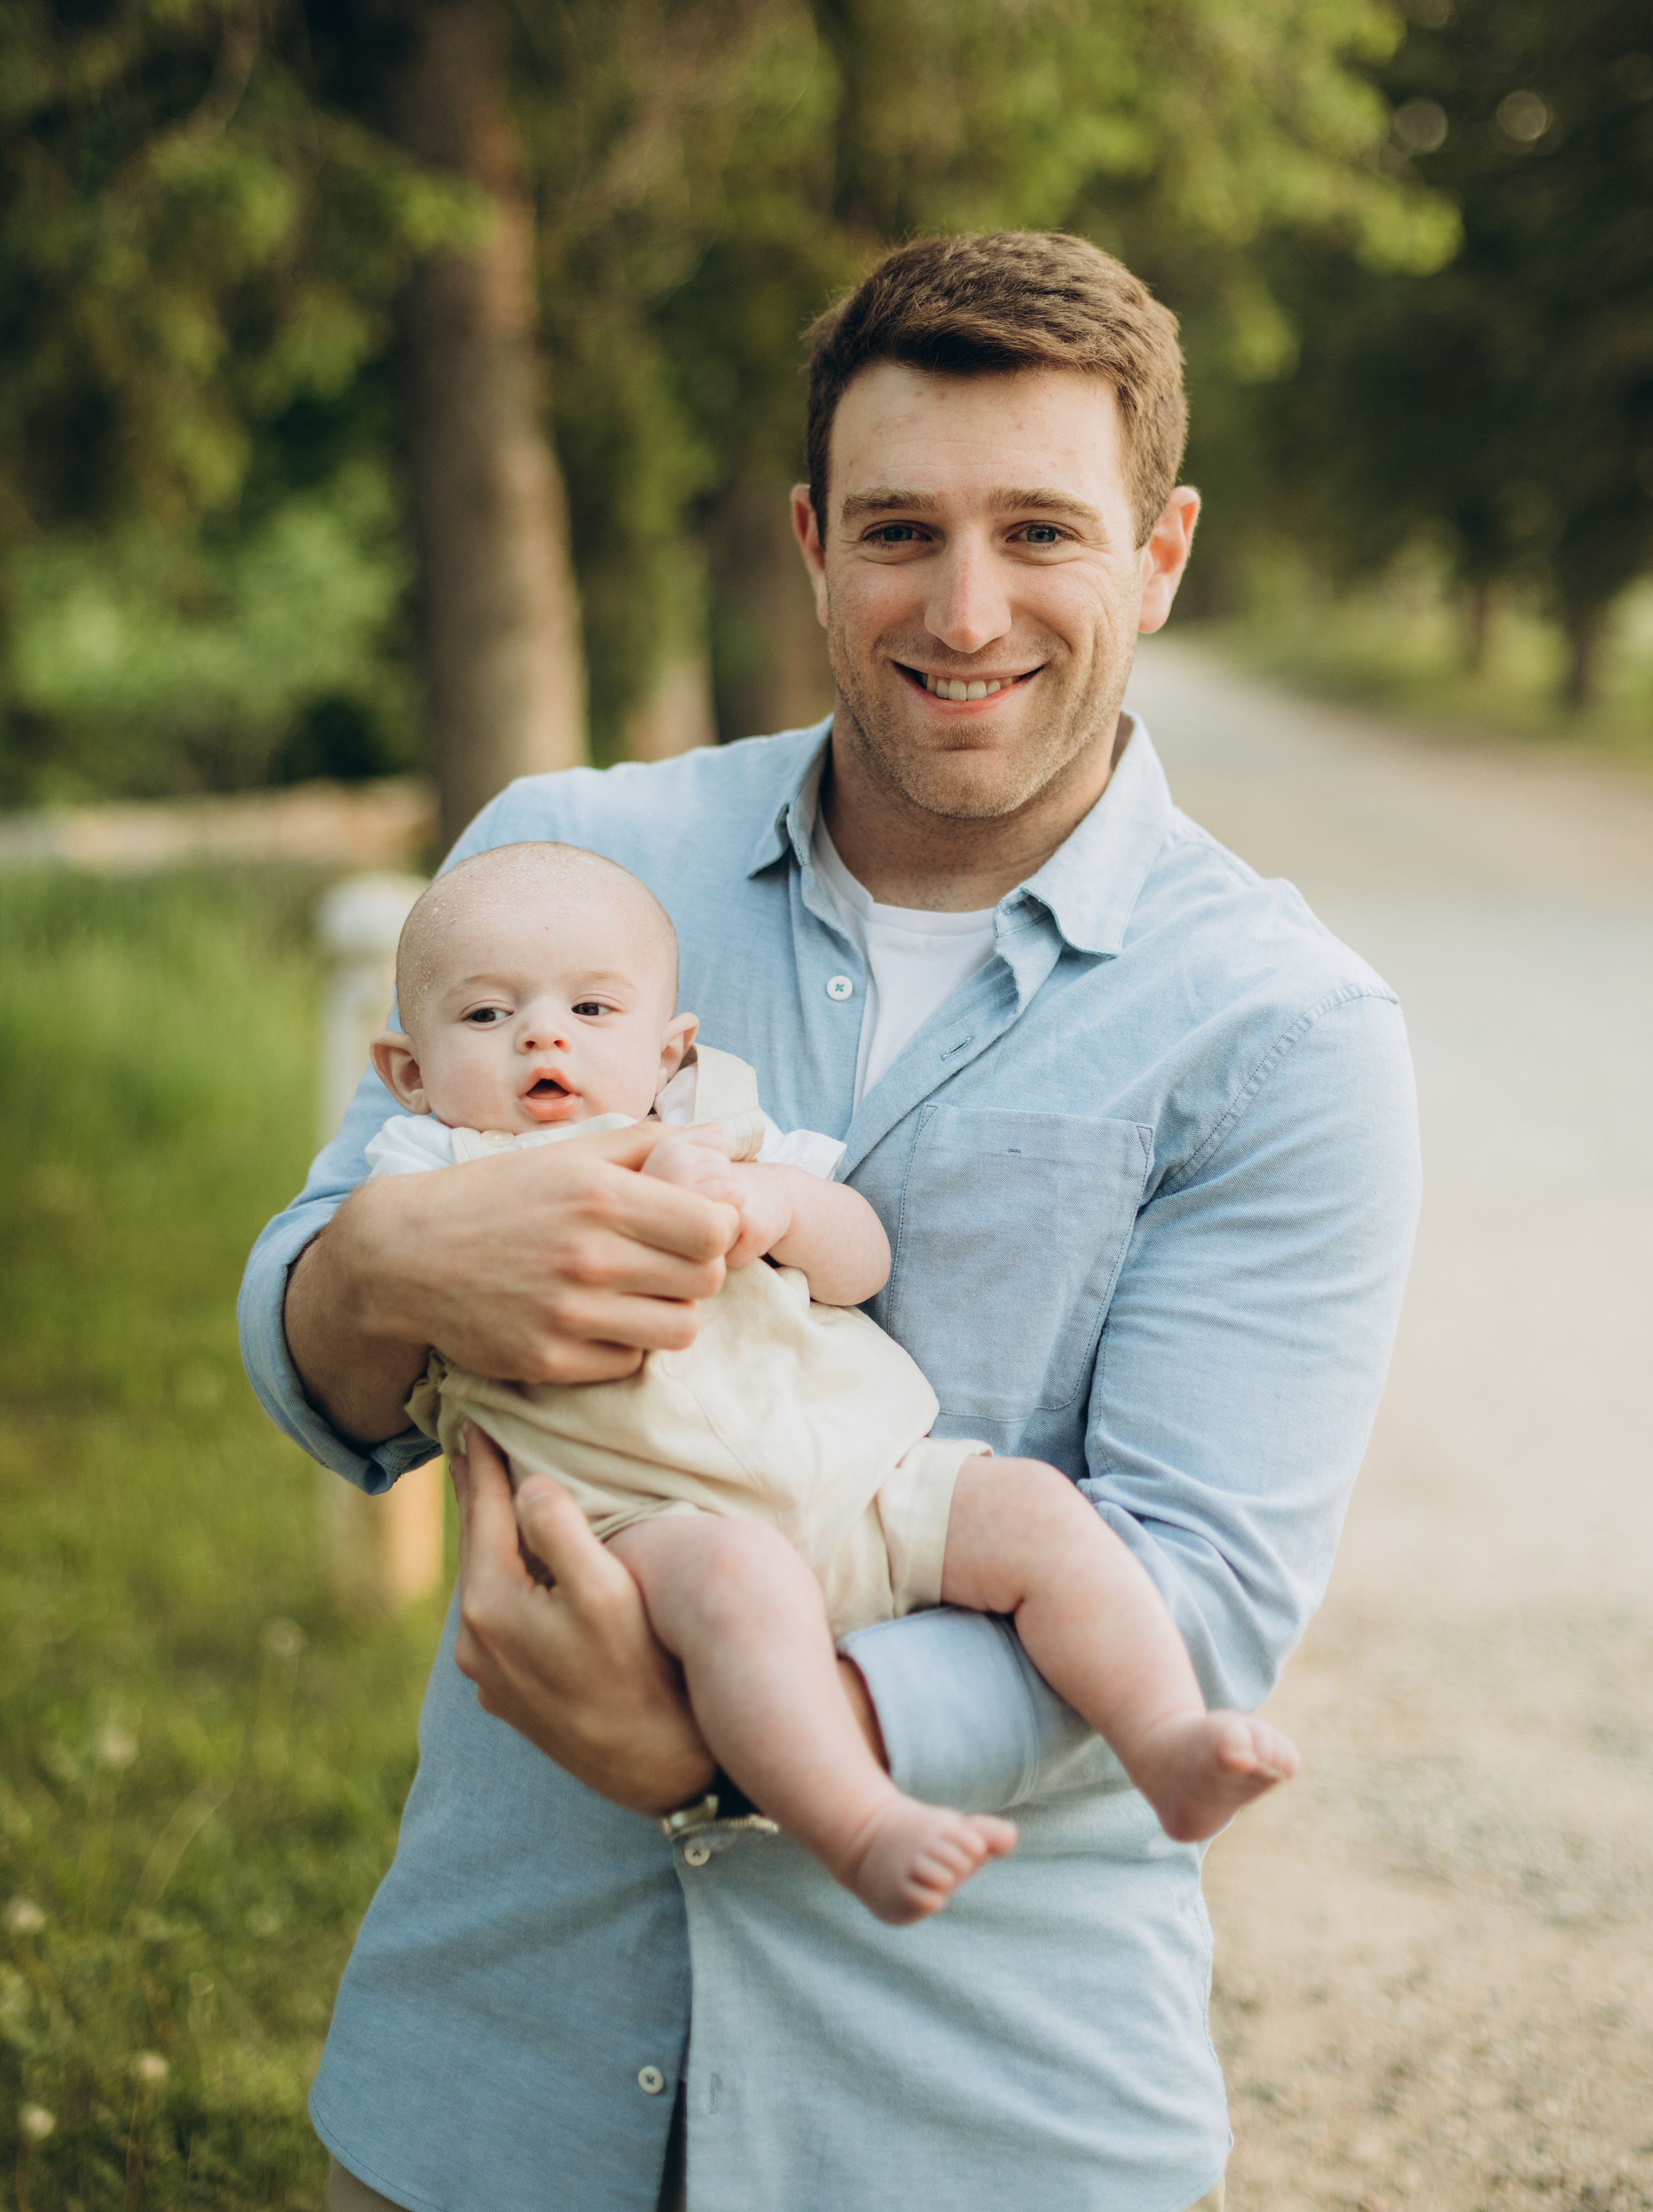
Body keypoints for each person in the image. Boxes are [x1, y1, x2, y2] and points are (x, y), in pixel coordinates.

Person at [240, 229, 1420, 2212]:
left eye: (1042, 529)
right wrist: (377, 1268)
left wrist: (729, 1735)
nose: (965, 612)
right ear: (809, 540)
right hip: (492, 2077)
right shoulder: (572, 865)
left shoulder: (1287, 1034)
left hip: (981, 2113)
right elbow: (320, 1356)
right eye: (899, 533)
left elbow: (1197, 1594)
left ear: (1160, 552)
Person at [363, 839, 1297, 1924]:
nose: (543, 1034)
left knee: (1035, 1510)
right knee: (743, 1590)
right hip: (646, 1521)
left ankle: (1166, 1739)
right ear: (412, 1072)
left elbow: (864, 1259)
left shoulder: (729, 1132)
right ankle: (860, 1825)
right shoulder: (426, 1170)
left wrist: (778, 1208)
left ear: (671, 1052)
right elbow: (371, 1288)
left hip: (863, 1480)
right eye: (485, 1017)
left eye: (593, 1010)